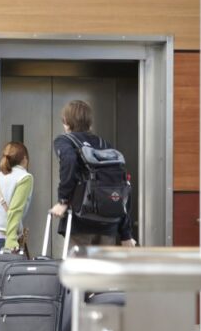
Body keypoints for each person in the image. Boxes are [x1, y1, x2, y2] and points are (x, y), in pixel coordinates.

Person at [49, 100, 136, 249]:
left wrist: (63, 201)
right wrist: (126, 234)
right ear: (90, 123)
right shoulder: (104, 145)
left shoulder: (65, 141)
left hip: (81, 221)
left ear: (67, 123)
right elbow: (120, 188)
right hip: (109, 225)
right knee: (103, 271)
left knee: (78, 270)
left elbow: (69, 160)